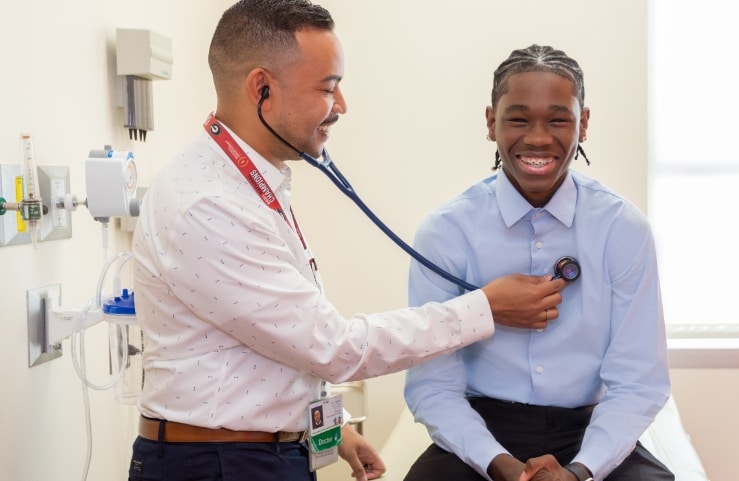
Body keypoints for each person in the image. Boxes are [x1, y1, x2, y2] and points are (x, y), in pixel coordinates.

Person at [128, 3, 566, 481]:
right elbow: (333, 347)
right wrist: (485, 307)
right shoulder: (210, 205)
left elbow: (264, 349)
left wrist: (326, 427)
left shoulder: (245, 182)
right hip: (222, 465)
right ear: (262, 88)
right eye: (327, 87)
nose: (341, 106)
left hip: (251, 454)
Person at [403, 45, 674, 481]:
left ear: (583, 123)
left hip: (588, 431)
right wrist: (501, 465)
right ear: (491, 122)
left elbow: (638, 380)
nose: (538, 138)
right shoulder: (446, 231)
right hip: (484, 431)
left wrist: (580, 471)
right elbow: (433, 386)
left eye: (558, 119)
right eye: (518, 118)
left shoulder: (622, 228)